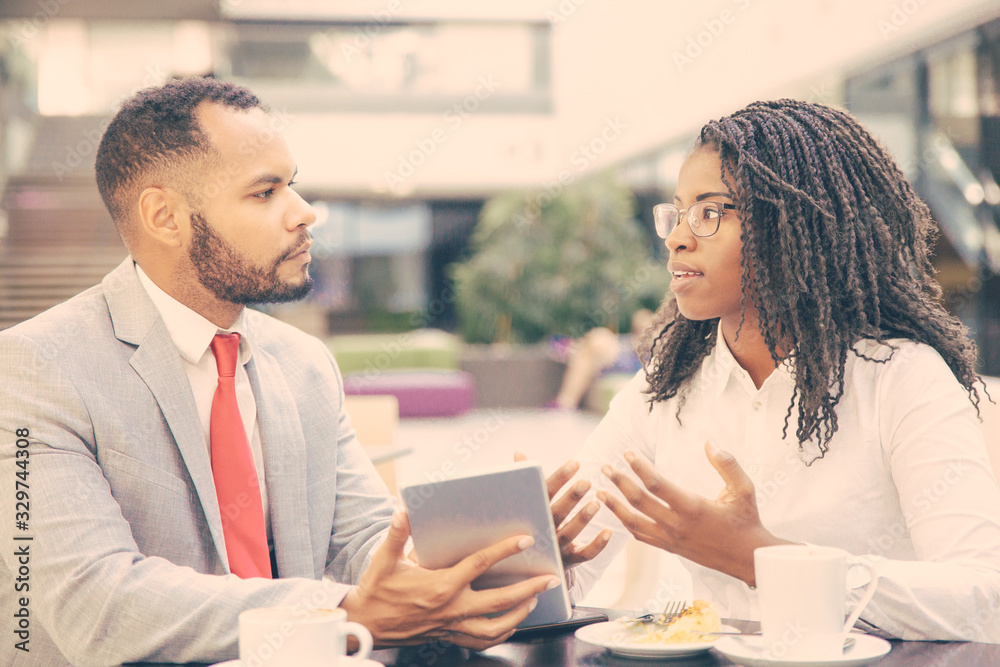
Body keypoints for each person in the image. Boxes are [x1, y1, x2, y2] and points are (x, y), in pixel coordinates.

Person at [0, 77, 585, 666]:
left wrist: (493, 558)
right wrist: (344, 614)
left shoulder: (303, 364)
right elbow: (95, 606)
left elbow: (365, 543)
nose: (304, 212)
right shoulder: (32, 369)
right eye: (265, 192)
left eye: (293, 185)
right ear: (165, 217)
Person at [557, 99, 1000, 642]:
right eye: (676, 213)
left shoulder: (902, 379)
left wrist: (759, 558)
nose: (676, 238)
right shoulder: (663, 390)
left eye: (709, 212)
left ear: (793, 223)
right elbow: (572, 573)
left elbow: (983, 600)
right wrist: (542, 562)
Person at [548, 309, 655, 410]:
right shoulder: (630, 342)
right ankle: (565, 403)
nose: (641, 332)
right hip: (615, 360)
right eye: (638, 329)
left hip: (626, 365)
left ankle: (574, 347)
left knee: (599, 338)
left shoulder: (655, 347)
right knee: (588, 352)